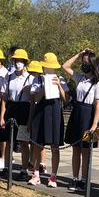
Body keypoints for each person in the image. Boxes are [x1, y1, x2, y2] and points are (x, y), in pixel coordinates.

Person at [62, 49, 99, 192]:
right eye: (83, 62)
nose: (84, 64)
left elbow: (98, 104)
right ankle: (75, 178)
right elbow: (65, 66)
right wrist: (79, 54)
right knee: (75, 149)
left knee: (85, 150)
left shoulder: (98, 83)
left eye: (87, 62)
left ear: (93, 64)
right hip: (76, 114)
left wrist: (93, 125)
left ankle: (84, 180)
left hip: (88, 115)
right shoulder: (80, 78)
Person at [27, 52, 68, 187]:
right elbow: (36, 99)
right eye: (47, 67)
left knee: (55, 145)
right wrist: (45, 87)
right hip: (41, 112)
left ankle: (53, 176)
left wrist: (58, 86)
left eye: (52, 67)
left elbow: (66, 99)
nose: (49, 70)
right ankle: (36, 174)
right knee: (39, 144)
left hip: (55, 112)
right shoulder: (37, 79)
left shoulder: (60, 78)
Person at [0, 49, 34, 180]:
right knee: (9, 140)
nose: (18, 63)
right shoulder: (8, 77)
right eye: (16, 60)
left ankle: (24, 170)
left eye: (20, 61)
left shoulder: (31, 78)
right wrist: (2, 116)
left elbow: (32, 102)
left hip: (24, 108)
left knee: (23, 141)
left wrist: (30, 119)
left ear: (25, 62)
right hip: (12, 107)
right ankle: (7, 167)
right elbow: (4, 97)